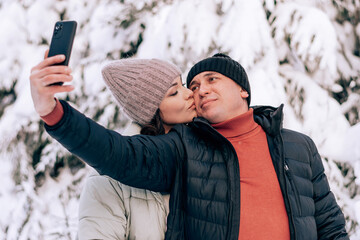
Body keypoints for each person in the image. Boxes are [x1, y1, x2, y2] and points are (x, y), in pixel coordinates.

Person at [30, 52, 349, 240]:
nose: (198, 91)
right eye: (191, 86)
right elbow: (121, 154)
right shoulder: (188, 148)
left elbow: (330, 226)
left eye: (212, 79)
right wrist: (52, 112)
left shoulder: (297, 147)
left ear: (243, 91)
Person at [77, 58, 196, 239]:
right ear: (150, 110)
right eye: (174, 92)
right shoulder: (107, 178)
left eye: (184, 85)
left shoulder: (201, 153)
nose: (189, 93)